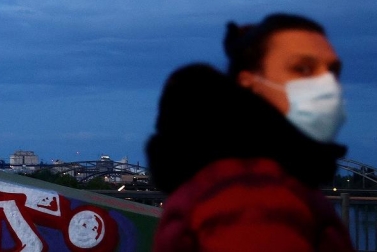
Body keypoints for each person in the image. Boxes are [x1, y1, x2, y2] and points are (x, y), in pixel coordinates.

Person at [145, 13, 355, 251]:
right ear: (249, 82)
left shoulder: (237, 175)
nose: (326, 84)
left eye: (332, 71)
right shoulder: (253, 194)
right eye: (303, 69)